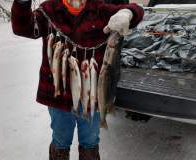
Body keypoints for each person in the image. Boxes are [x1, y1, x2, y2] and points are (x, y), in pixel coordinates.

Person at [11, 0, 143, 159]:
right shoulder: (49, 10)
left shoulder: (100, 9)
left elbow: (137, 10)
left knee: (90, 141)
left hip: (92, 95)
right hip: (58, 96)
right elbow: (22, 27)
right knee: (61, 140)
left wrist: (128, 13)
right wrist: (22, 3)